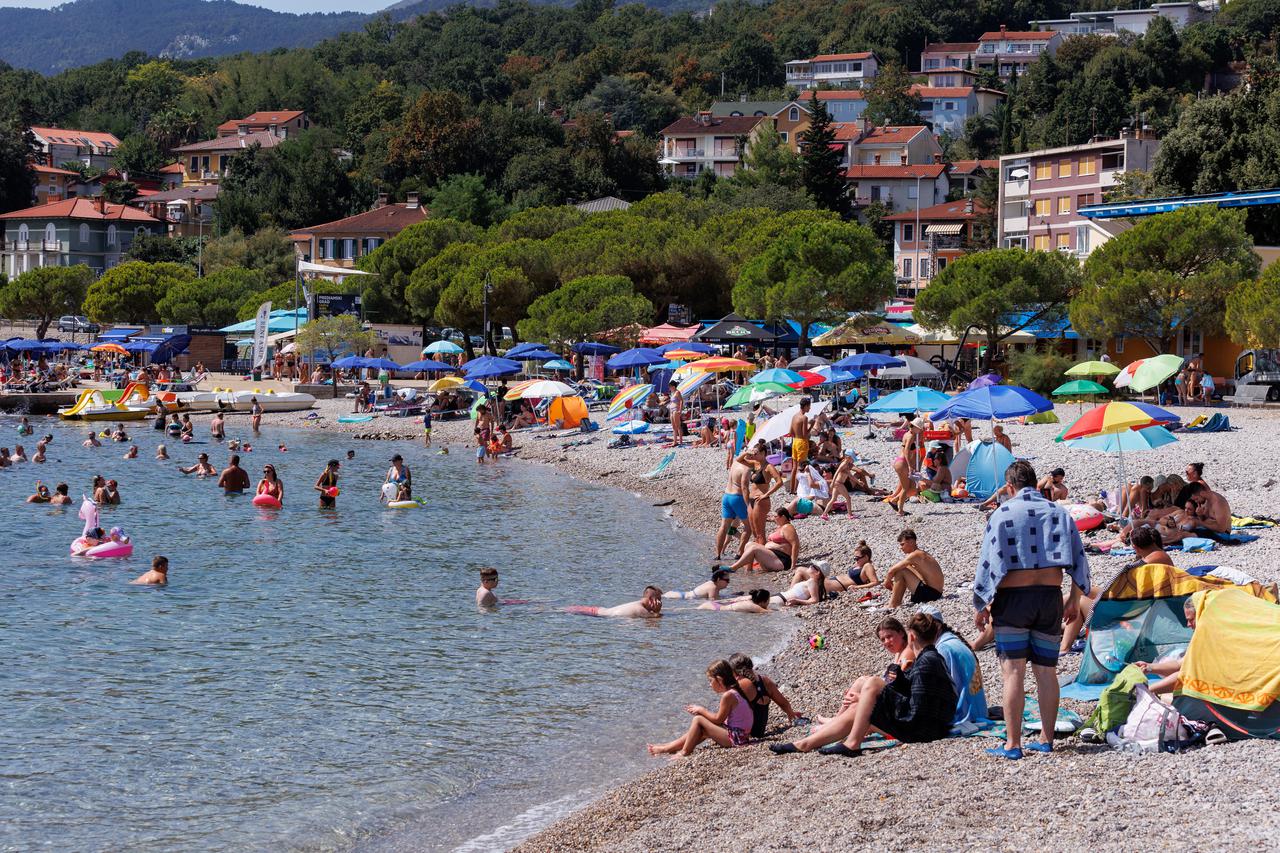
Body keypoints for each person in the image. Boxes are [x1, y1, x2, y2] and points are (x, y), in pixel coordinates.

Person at [974, 460, 1090, 760]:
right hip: (1049, 596)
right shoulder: (1058, 512)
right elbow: (1079, 561)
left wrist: (983, 605)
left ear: (1010, 487)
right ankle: (1046, 739)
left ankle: (1013, 744)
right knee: (1046, 672)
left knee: (1013, 672)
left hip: (1013, 600)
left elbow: (989, 564)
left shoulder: (1002, 514)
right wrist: (1073, 600)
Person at [771, 613, 957, 756]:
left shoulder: (926, 661)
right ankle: (807, 743)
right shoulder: (930, 658)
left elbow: (917, 707)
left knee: (873, 685)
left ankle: (850, 743)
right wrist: (898, 681)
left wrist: (879, 697)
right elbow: (918, 695)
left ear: (911, 637)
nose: (886, 642)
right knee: (861, 703)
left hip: (924, 730)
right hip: (930, 725)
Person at [646, 659, 755, 758]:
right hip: (741, 735)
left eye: (710, 680)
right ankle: (668, 747)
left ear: (719, 680)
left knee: (698, 720)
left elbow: (718, 719)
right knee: (700, 729)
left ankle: (684, 752)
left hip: (737, 738)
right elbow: (720, 719)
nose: (710, 685)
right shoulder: (734, 691)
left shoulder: (728, 695)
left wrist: (701, 710)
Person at [918, 605, 990, 733]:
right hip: (978, 709)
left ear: (938, 625)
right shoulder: (952, 640)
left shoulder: (943, 648)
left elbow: (947, 689)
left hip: (966, 714)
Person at [729, 653, 802, 738]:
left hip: (745, 734)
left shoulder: (741, 685)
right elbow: (783, 703)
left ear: (733, 672)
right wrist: (791, 714)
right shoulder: (765, 681)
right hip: (760, 732)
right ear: (751, 665)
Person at [726, 507, 799, 573]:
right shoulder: (780, 527)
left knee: (754, 548)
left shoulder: (788, 528)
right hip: (774, 556)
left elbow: (795, 544)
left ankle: (733, 568)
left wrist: (793, 565)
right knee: (749, 544)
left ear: (783, 517)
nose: (773, 518)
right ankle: (748, 570)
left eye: (775, 516)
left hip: (782, 560)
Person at [882, 529, 944, 606]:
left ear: (911, 542)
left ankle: (893, 604)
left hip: (931, 594)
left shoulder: (915, 555)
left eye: (902, 544)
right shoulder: (921, 553)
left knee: (901, 571)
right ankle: (896, 600)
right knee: (905, 567)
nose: (900, 548)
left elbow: (891, 571)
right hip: (936, 593)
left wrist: (887, 582)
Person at [1159, 481, 1231, 544]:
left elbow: (1222, 528)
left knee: (1183, 535)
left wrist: (1200, 522)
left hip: (1222, 534)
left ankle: (1161, 543)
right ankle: (1160, 541)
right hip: (1209, 530)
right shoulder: (1206, 500)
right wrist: (1200, 516)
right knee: (1180, 532)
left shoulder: (1218, 503)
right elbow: (1207, 519)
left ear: (1202, 493)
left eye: (1196, 499)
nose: (1196, 502)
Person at [566, 585, 663, 617]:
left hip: (597, 610)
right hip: (596, 616)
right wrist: (657, 611)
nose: (660, 603)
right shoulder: (641, 610)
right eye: (659, 600)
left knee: (562, 610)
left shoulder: (637, 604)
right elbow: (654, 618)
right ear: (651, 599)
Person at [787, 397, 813, 494]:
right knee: (801, 467)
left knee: (794, 467)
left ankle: (791, 489)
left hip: (795, 442)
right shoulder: (804, 418)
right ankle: (798, 489)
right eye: (809, 406)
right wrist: (812, 425)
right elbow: (805, 434)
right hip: (802, 442)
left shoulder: (794, 416)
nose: (809, 409)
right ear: (805, 406)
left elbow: (790, 433)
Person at [665, 569, 733, 600]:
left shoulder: (711, 583)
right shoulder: (713, 588)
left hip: (679, 594)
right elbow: (714, 602)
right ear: (718, 579)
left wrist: (732, 595)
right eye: (727, 580)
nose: (728, 582)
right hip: (677, 598)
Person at [697, 589, 773, 613]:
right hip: (713, 608)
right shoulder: (753, 606)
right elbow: (768, 612)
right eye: (768, 601)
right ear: (763, 601)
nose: (768, 603)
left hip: (713, 604)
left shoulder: (750, 599)